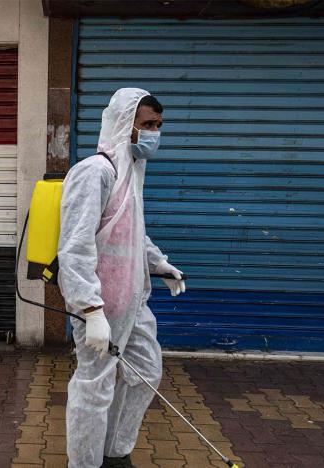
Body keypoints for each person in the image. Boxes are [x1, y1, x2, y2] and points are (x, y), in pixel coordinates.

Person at [58, 88, 186, 468]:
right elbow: (75, 247)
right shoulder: (94, 172)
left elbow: (130, 231)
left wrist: (158, 263)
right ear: (124, 124)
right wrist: (90, 308)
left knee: (146, 370)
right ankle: (84, 463)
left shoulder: (132, 171)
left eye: (159, 126)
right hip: (101, 303)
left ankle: (115, 452)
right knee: (95, 385)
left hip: (132, 298)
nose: (154, 133)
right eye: (147, 124)